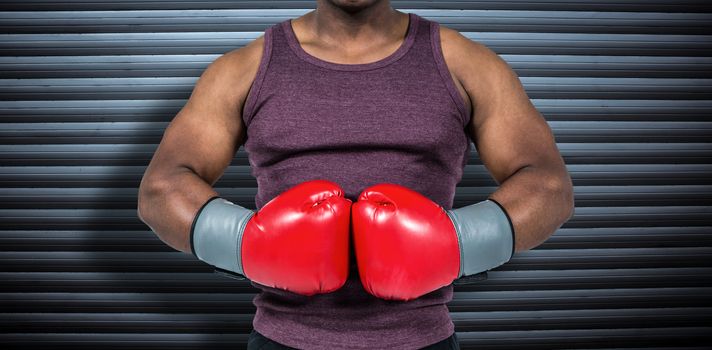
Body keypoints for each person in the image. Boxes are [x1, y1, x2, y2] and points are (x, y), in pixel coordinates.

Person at [137, 0, 575, 349]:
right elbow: (161, 189)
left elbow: (549, 186)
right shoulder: (243, 69)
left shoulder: (466, 63)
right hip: (282, 340)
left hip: (423, 341)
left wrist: (455, 244)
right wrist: (249, 245)